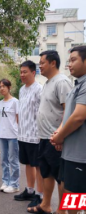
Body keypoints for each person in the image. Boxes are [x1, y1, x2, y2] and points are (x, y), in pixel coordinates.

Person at [27, 51, 72, 214]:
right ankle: (46, 205)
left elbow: (69, 112)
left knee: (62, 177)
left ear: (53, 63)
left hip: (56, 139)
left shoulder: (62, 82)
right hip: (45, 138)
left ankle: (62, 210)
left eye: (42, 62)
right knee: (47, 172)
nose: (39, 66)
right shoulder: (48, 83)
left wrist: (60, 136)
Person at [51, 46, 86, 214]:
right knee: (67, 191)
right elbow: (68, 116)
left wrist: (60, 137)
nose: (69, 64)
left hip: (80, 156)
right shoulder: (76, 86)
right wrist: (60, 135)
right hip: (69, 153)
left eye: (73, 60)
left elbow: (79, 117)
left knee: (74, 198)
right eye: (69, 60)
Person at [14, 61, 43, 207]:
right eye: (21, 72)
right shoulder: (21, 89)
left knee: (37, 165)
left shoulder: (39, 89)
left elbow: (42, 113)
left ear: (33, 72)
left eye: (25, 72)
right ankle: (30, 190)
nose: (22, 75)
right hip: (23, 134)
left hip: (35, 135)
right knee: (27, 164)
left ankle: (40, 195)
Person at [0, 78, 20, 193]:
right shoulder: (0, 103)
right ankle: (5, 181)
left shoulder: (15, 102)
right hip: (2, 135)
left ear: (9, 88)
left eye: (4, 86)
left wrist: (18, 133)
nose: (1, 88)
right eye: (0, 87)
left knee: (13, 160)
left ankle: (15, 184)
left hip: (13, 136)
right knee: (3, 160)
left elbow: (18, 119)